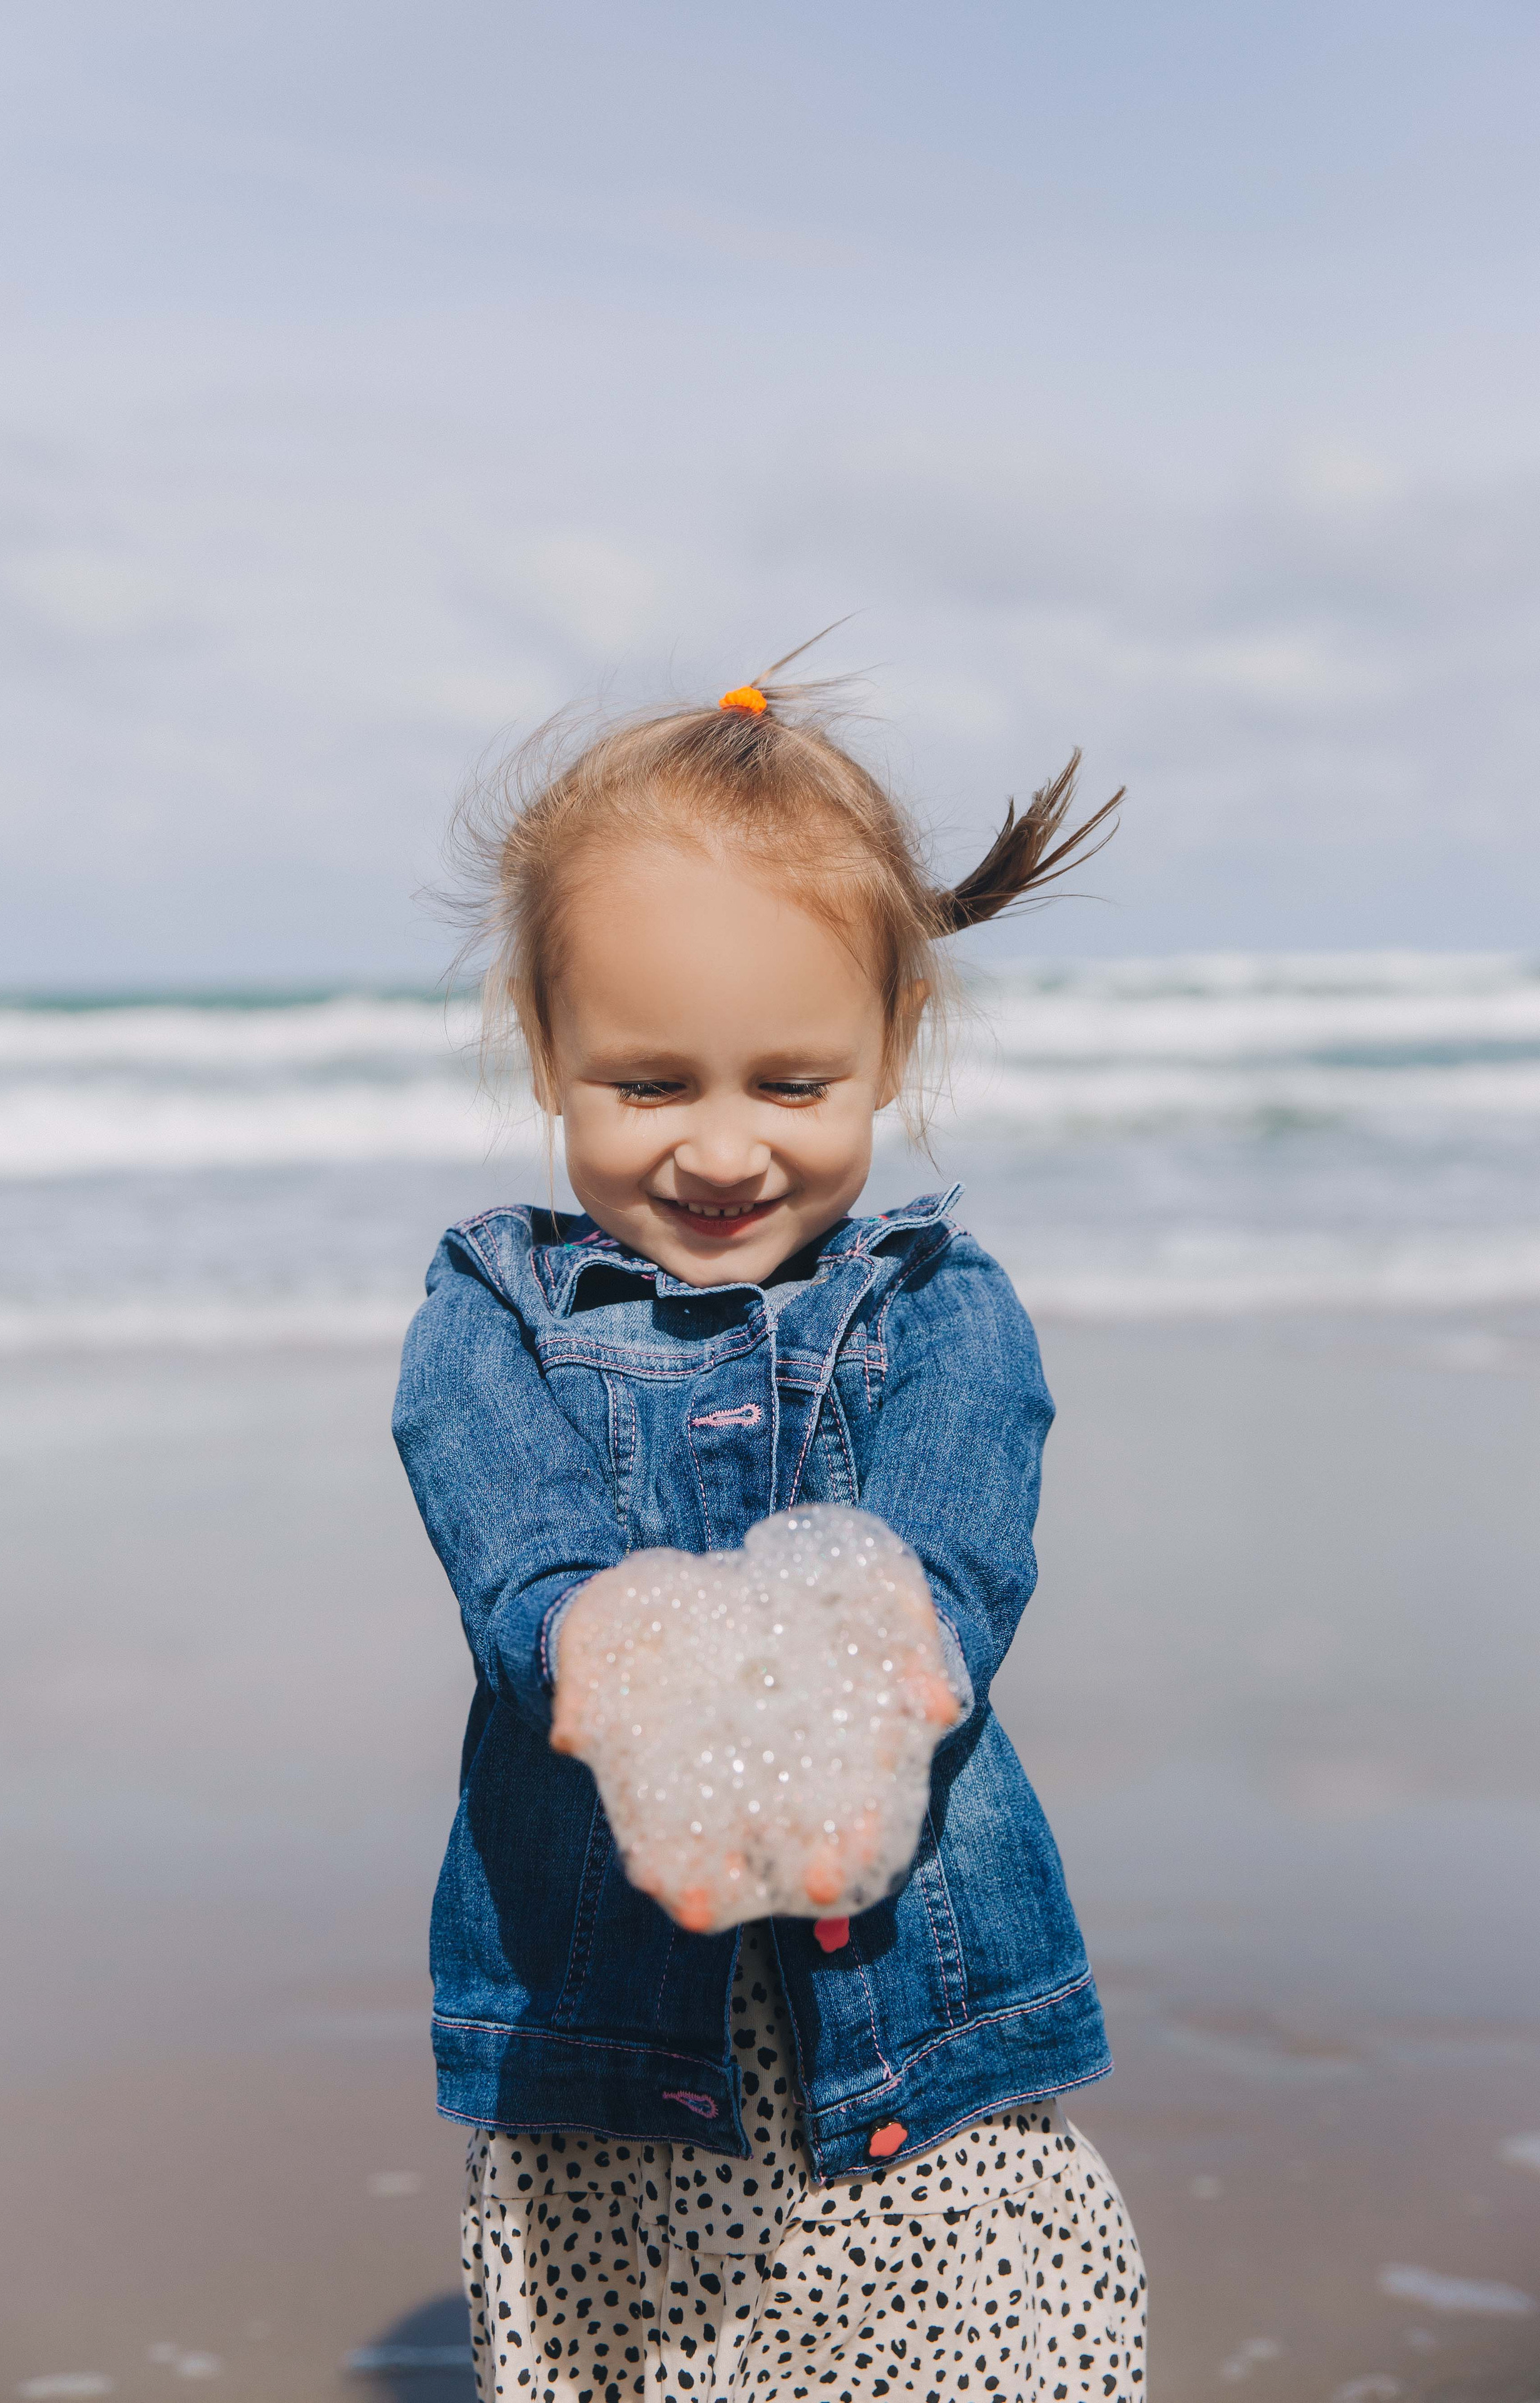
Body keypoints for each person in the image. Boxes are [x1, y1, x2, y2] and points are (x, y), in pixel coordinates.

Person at [392, 655, 1146, 2403]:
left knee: (980, 2355)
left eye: (791, 1086)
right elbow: (515, 1545)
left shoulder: (940, 1307)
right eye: (651, 1085)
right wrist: (602, 1639)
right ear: (545, 1050)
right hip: (610, 2046)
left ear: (891, 1051)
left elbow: (956, 1552)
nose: (722, 1150)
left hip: (909, 2024)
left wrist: (876, 1639)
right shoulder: (490, 1306)